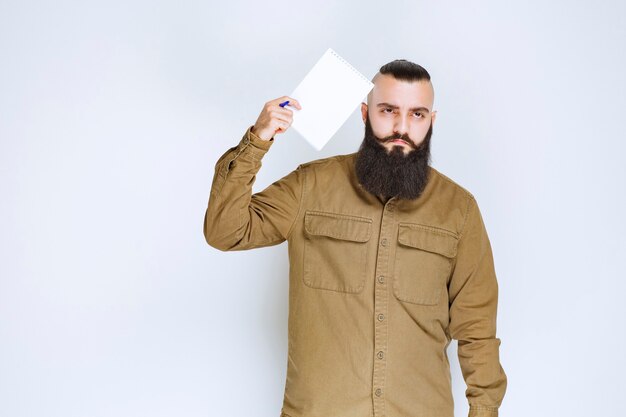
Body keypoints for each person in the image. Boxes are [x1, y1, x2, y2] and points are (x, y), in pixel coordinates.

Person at [203, 59, 507, 417]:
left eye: (417, 115)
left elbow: (477, 332)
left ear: (432, 121)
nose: (401, 127)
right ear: (365, 113)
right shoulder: (310, 186)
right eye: (388, 110)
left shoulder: (460, 209)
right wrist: (258, 139)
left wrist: (484, 410)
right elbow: (225, 231)